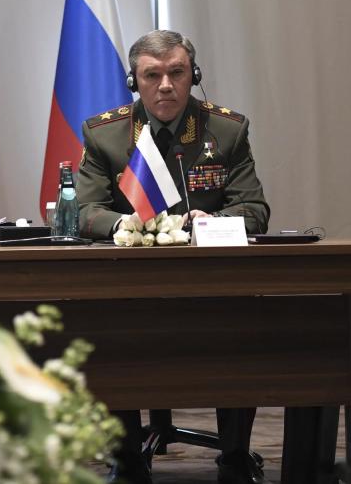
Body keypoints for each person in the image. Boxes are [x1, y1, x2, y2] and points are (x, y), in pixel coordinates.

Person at [76, 30, 269, 484]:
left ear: (192, 76)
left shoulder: (225, 130)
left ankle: (235, 457)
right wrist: (123, 226)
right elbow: (84, 213)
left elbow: (255, 211)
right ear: (134, 82)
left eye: (176, 73)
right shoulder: (105, 134)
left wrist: (213, 219)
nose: (165, 85)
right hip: (129, 285)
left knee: (243, 327)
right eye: (153, 75)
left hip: (213, 285)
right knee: (107, 331)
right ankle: (125, 459)